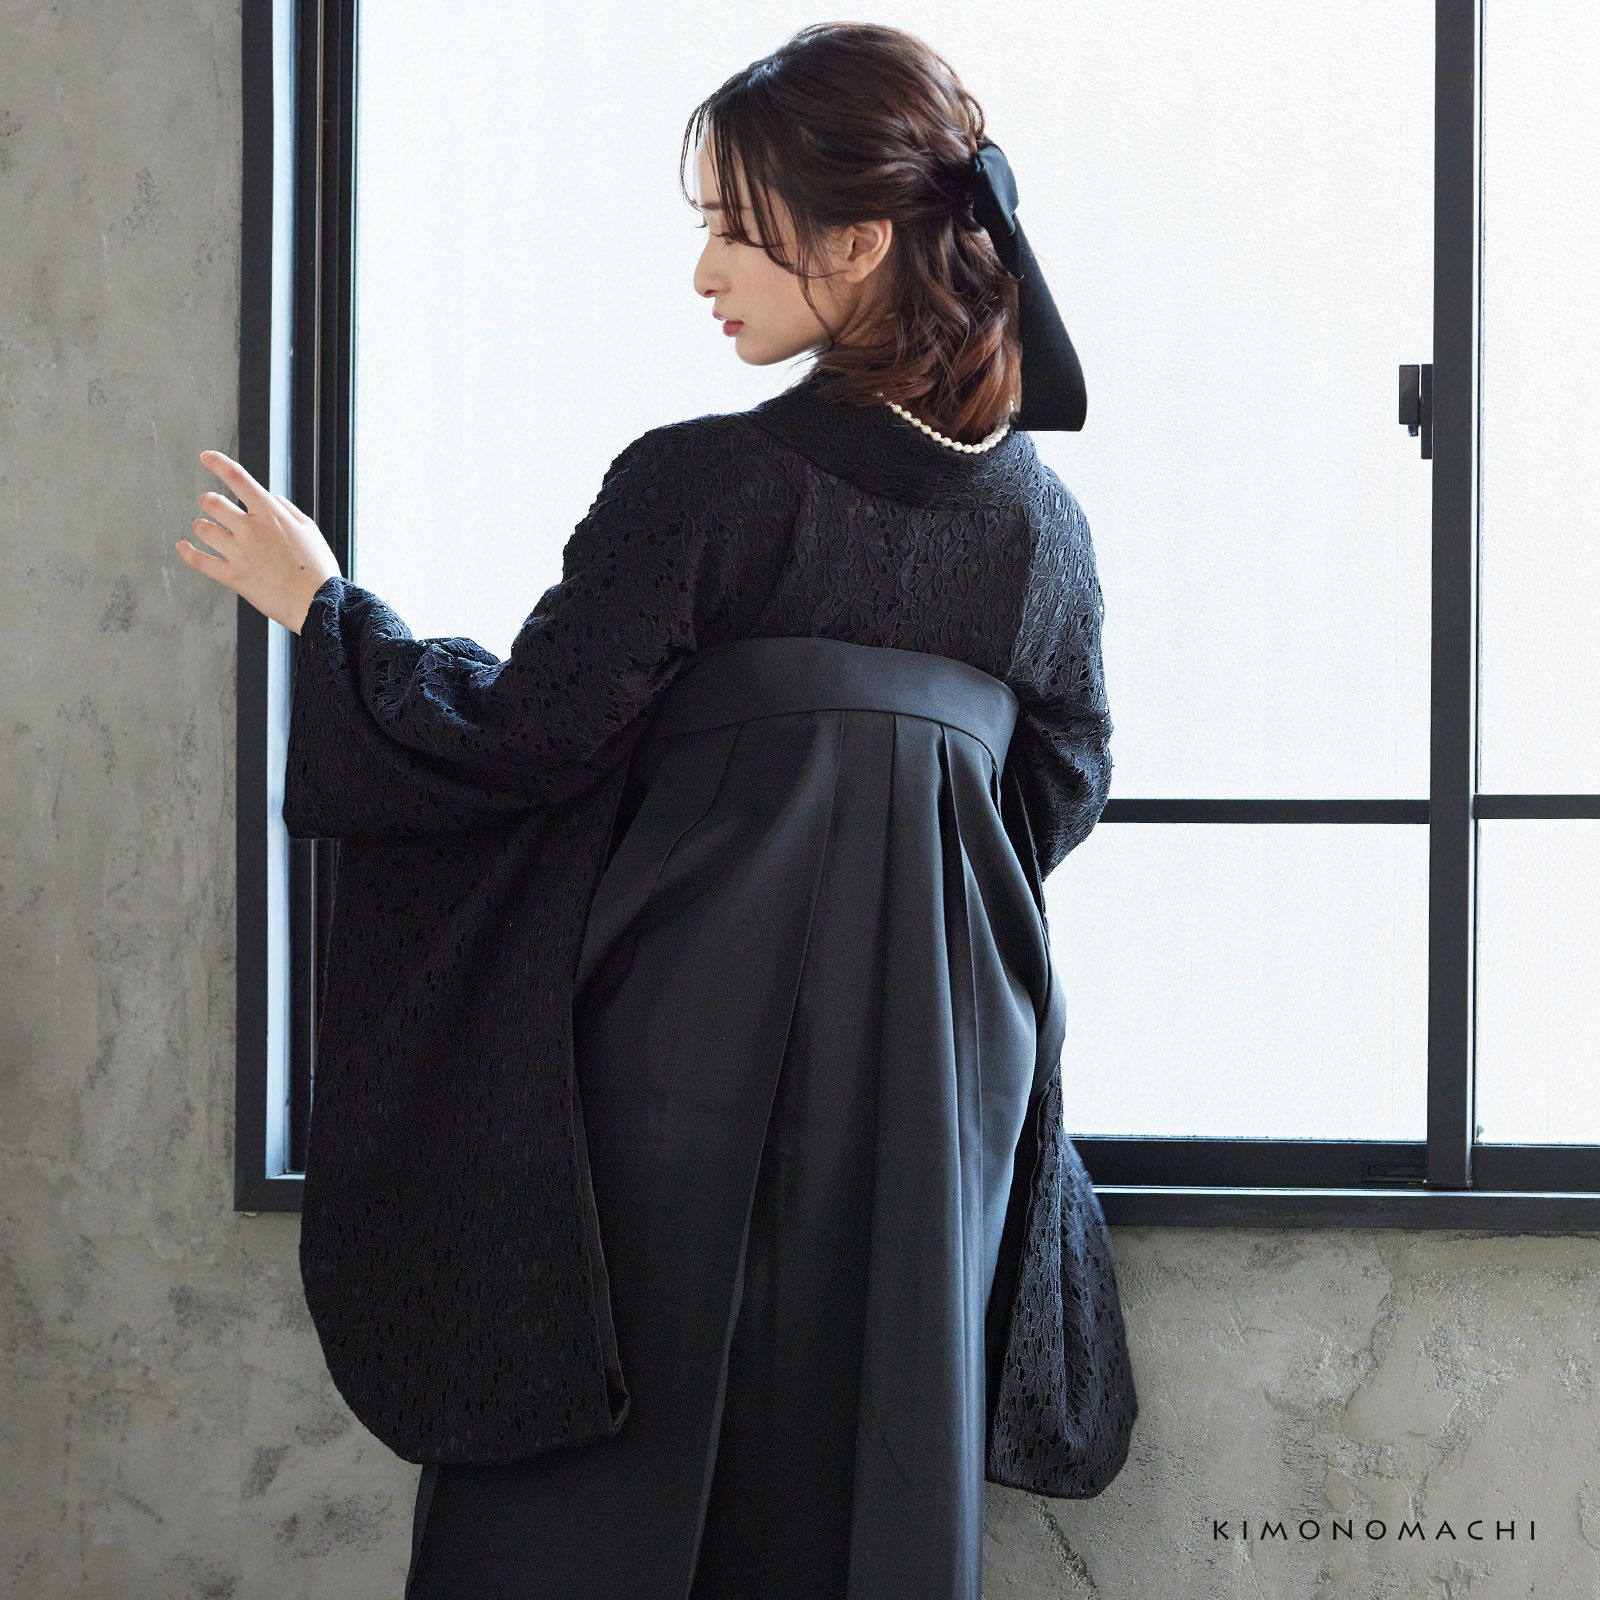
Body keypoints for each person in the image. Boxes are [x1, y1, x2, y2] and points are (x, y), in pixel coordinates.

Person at [180, 22, 1136, 1600]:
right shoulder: (1046, 532)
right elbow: (1058, 792)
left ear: (859, 240)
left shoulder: (704, 487)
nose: (705, 271)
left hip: (676, 1066)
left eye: (737, 230)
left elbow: (522, 740)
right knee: (862, 1490)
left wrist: (327, 610)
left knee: (590, 1495)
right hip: (935, 1092)